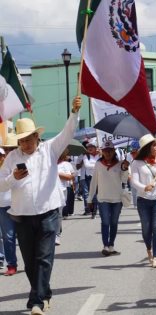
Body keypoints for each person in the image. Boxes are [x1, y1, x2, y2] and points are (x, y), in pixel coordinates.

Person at [0, 96, 81, 315]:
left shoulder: (49, 149)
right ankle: (43, 292)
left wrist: (74, 113)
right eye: (22, 140)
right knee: (29, 261)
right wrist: (13, 178)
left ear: (37, 136)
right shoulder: (11, 159)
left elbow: (67, 133)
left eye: (29, 138)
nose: (25, 143)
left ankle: (36, 300)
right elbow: (0, 185)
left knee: (44, 257)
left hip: (48, 213)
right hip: (22, 215)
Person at [131, 134, 156, 268]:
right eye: (154, 145)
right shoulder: (136, 163)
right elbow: (134, 181)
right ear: (147, 147)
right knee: (146, 228)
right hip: (143, 199)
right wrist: (144, 187)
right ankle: (149, 248)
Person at [88, 140, 129, 256]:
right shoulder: (98, 164)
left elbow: (124, 180)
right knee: (105, 222)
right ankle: (105, 245)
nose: (108, 153)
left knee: (114, 222)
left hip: (117, 198)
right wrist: (90, 199)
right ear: (102, 152)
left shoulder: (120, 164)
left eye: (110, 151)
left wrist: (125, 169)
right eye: (105, 151)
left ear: (114, 151)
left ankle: (111, 245)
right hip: (103, 199)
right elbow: (93, 182)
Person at [0, 134, 19, 276]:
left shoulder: (17, 164)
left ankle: (33, 262)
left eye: (10, 149)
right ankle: (11, 264)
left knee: (24, 237)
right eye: (6, 150)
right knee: (8, 236)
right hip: (2, 206)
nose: (7, 153)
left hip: (18, 205)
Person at [56, 149, 76, 245]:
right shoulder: (48, 163)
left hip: (62, 190)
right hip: (49, 192)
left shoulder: (66, 164)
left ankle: (57, 234)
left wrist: (57, 173)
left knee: (58, 213)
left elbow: (70, 177)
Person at [79, 139, 100, 217]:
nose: (90, 148)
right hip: (89, 178)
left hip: (99, 177)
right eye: (88, 147)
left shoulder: (100, 155)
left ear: (95, 147)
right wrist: (97, 165)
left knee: (98, 194)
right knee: (90, 194)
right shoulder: (85, 156)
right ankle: (92, 210)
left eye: (92, 146)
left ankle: (96, 209)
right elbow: (87, 166)